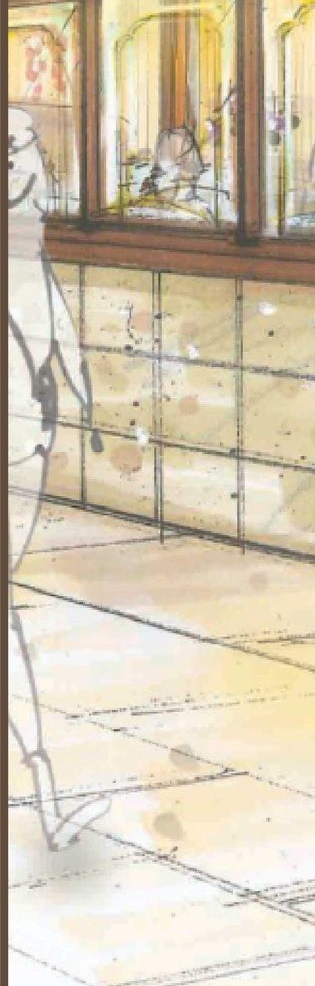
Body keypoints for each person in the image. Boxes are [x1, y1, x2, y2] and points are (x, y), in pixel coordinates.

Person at [9, 115, 105, 849]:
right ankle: (42, 792)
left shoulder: (26, 242)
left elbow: (60, 330)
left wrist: (86, 403)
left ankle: (43, 793)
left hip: (24, 445)